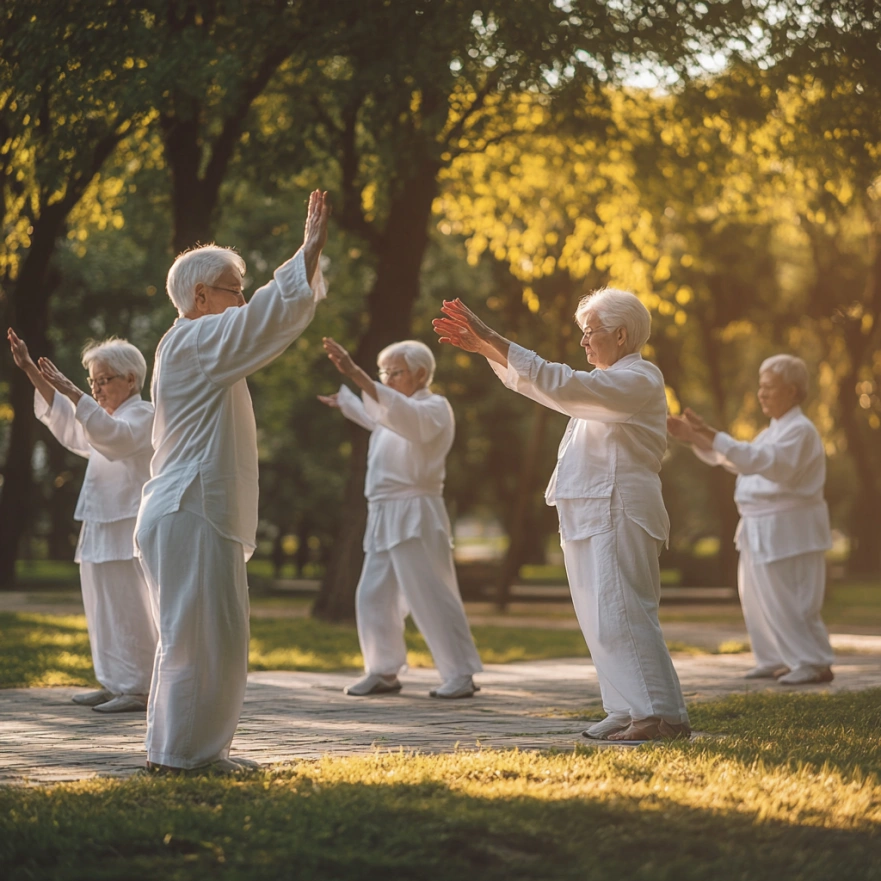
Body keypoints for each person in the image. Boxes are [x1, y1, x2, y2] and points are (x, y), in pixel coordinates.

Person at [433, 294, 690, 742]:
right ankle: (626, 708)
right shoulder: (604, 382)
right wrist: (487, 349)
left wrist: (494, 337)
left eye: (590, 332)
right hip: (590, 509)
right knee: (598, 617)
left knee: (622, 613)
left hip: (619, 508)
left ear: (621, 335)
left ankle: (661, 715)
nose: (583, 341)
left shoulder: (640, 378)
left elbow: (562, 384)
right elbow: (544, 387)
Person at [135, 190, 330, 775]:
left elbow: (256, 322)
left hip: (185, 507)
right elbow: (262, 319)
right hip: (191, 506)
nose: (241, 299)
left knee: (194, 637)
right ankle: (186, 756)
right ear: (200, 296)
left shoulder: (189, 345)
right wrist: (306, 254)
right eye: (233, 289)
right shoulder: (196, 340)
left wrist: (306, 264)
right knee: (202, 639)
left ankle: (179, 751)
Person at [318, 337, 483, 699]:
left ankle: (460, 673)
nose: (388, 379)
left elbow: (403, 416)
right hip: (383, 511)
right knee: (373, 593)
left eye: (396, 372)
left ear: (421, 374)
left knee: (431, 592)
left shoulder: (434, 408)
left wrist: (356, 374)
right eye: (384, 373)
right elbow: (378, 415)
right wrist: (347, 401)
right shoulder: (396, 411)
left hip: (416, 509)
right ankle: (383, 669)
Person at [7, 330, 157, 713]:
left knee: (130, 606)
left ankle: (140, 688)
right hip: (98, 521)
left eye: (103, 380)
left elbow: (114, 438)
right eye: (92, 382)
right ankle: (115, 681)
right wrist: (29, 368)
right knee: (101, 605)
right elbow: (70, 423)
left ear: (131, 379)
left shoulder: (144, 415)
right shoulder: (103, 417)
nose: (96, 389)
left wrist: (75, 392)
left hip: (128, 523)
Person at [667, 354, 834, 685]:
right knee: (757, 599)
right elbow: (740, 461)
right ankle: (773, 658)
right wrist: (695, 437)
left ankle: (813, 661)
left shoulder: (800, 431)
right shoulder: (773, 430)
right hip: (758, 526)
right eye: (761, 386)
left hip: (789, 528)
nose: (761, 394)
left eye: (769, 387)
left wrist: (711, 434)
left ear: (791, 391)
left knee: (792, 600)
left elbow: (763, 462)